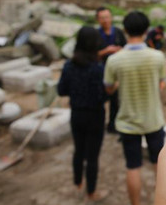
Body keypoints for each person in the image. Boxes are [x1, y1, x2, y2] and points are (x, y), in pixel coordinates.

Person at [104, 11, 166, 205]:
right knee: (159, 165)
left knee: (133, 167)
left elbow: (109, 88)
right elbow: (162, 84)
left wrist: (118, 84)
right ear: (146, 30)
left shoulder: (114, 60)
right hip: (153, 120)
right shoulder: (157, 57)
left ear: (125, 30)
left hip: (127, 122)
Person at [57, 26, 110, 202]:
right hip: (95, 116)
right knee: (92, 157)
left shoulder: (68, 66)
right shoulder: (98, 69)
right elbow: (101, 96)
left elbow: (61, 90)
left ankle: (77, 182)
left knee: (78, 151)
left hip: (76, 115)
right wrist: (111, 90)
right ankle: (91, 192)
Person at [96, 6, 127, 133]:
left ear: (111, 18)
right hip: (100, 71)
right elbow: (92, 54)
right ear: (98, 20)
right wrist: (106, 51)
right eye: (102, 18)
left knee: (116, 99)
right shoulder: (96, 35)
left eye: (107, 17)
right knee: (100, 99)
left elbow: (126, 48)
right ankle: (99, 124)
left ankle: (113, 125)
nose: (105, 20)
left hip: (118, 71)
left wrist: (120, 50)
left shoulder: (119, 32)